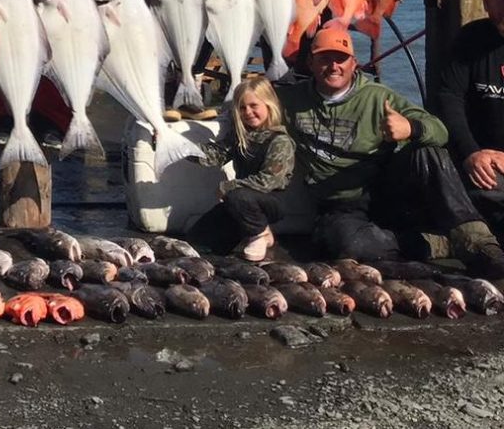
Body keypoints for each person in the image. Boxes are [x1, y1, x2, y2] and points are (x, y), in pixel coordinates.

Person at [279, 25, 504, 277]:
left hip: (384, 191)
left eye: (341, 59)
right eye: (324, 59)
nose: (334, 66)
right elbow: (251, 104)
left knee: (428, 152)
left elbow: (439, 130)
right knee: (346, 245)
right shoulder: (291, 100)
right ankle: (437, 243)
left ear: (354, 63)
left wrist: (411, 128)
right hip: (340, 205)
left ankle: (477, 242)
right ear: (310, 63)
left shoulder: (378, 96)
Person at [188, 76, 295, 262]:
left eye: (254, 106)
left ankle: (260, 233)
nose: (248, 112)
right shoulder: (240, 136)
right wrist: (180, 147)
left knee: (238, 195)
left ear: (269, 105)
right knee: (198, 241)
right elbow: (214, 156)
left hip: (271, 202)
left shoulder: (280, 141)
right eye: (242, 108)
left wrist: (228, 186)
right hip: (239, 202)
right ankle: (251, 230)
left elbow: (269, 180)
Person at [434, 0, 504, 235]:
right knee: (430, 160)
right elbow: (449, 97)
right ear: (487, 2)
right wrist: (472, 152)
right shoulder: (470, 38)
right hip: (480, 162)